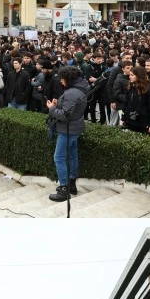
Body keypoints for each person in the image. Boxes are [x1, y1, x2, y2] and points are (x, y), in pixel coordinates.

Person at [47, 65, 89, 203]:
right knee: (72, 155)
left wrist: (52, 108)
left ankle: (63, 189)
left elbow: (65, 116)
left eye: (62, 79)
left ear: (69, 79)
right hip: (75, 128)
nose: (61, 81)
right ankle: (72, 185)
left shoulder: (72, 93)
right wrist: (59, 104)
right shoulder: (79, 88)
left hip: (67, 129)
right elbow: (70, 109)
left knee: (59, 157)